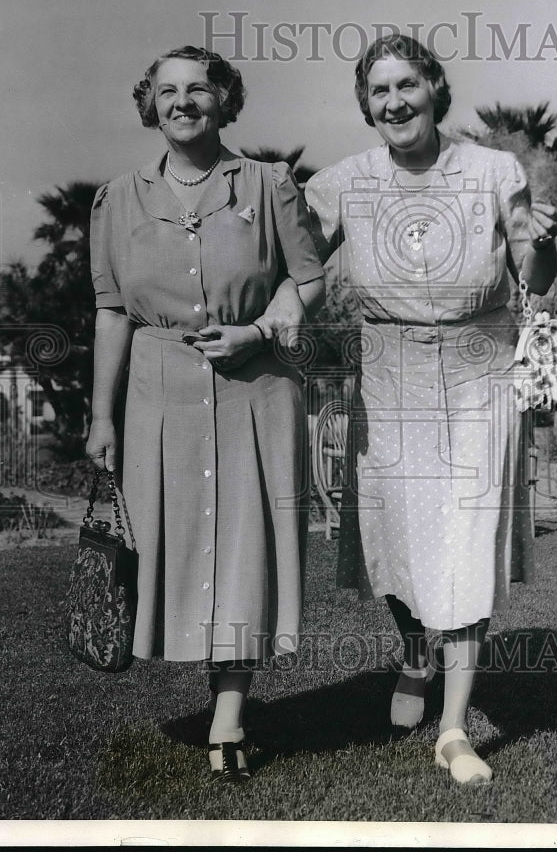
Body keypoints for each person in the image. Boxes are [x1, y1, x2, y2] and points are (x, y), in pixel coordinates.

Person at [303, 34, 557, 785]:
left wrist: (547, 242)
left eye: (406, 85)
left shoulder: (490, 170)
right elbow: (295, 268)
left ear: (433, 87)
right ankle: (415, 652)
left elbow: (532, 273)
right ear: (366, 106)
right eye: (379, 92)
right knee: (395, 537)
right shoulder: (342, 183)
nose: (395, 102)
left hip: (481, 367)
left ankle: (453, 728)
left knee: (467, 539)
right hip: (387, 371)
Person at [85, 45, 325, 784]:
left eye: (199, 89)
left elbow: (309, 280)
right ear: (149, 104)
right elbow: (110, 312)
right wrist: (102, 417)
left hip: (257, 388)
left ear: (226, 99)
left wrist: (256, 332)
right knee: (180, 550)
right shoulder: (117, 198)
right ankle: (214, 698)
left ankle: (228, 720)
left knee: (245, 550)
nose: (183, 102)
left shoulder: (268, 182)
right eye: (167, 91)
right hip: (160, 391)